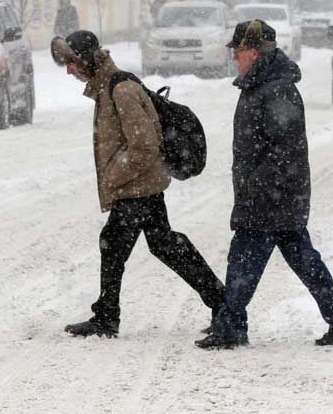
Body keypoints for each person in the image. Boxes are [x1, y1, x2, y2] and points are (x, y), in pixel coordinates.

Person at [195, 20, 333, 350]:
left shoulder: (276, 89)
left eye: (239, 50)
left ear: (255, 52)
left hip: (271, 197)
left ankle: (231, 325)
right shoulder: (262, 85)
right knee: (304, 261)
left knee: (244, 259)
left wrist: (256, 188)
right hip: (275, 196)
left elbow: (283, 151)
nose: (235, 57)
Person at [54, 30, 226, 338]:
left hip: (138, 186)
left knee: (113, 243)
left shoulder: (122, 90)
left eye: (71, 63)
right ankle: (222, 302)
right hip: (140, 184)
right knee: (164, 245)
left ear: (87, 60)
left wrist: (113, 176)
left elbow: (144, 147)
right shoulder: (107, 87)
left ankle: (107, 317)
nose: (69, 71)